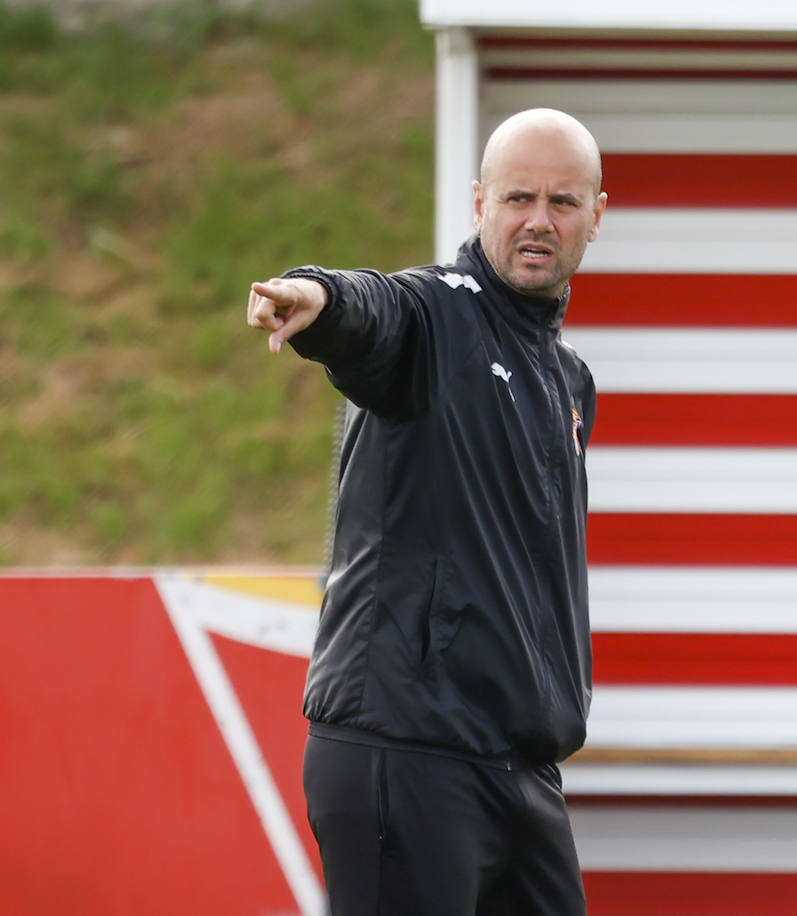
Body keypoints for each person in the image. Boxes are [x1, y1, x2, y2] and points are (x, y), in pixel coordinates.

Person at [245, 108, 607, 915]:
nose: (538, 221)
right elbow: (375, 310)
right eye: (518, 198)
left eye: (562, 202)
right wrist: (320, 298)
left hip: (518, 767)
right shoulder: (435, 316)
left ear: (597, 215)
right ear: (480, 202)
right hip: (405, 752)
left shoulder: (569, 379)